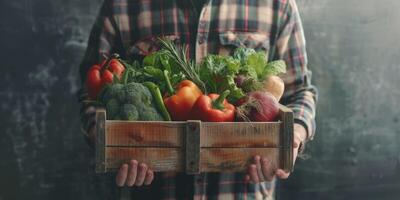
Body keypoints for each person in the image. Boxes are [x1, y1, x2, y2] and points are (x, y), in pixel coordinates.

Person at [78, 0, 317, 199]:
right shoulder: (123, 5)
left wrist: (291, 140)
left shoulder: (277, 5)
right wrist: (109, 145)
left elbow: (300, 91)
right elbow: (91, 94)